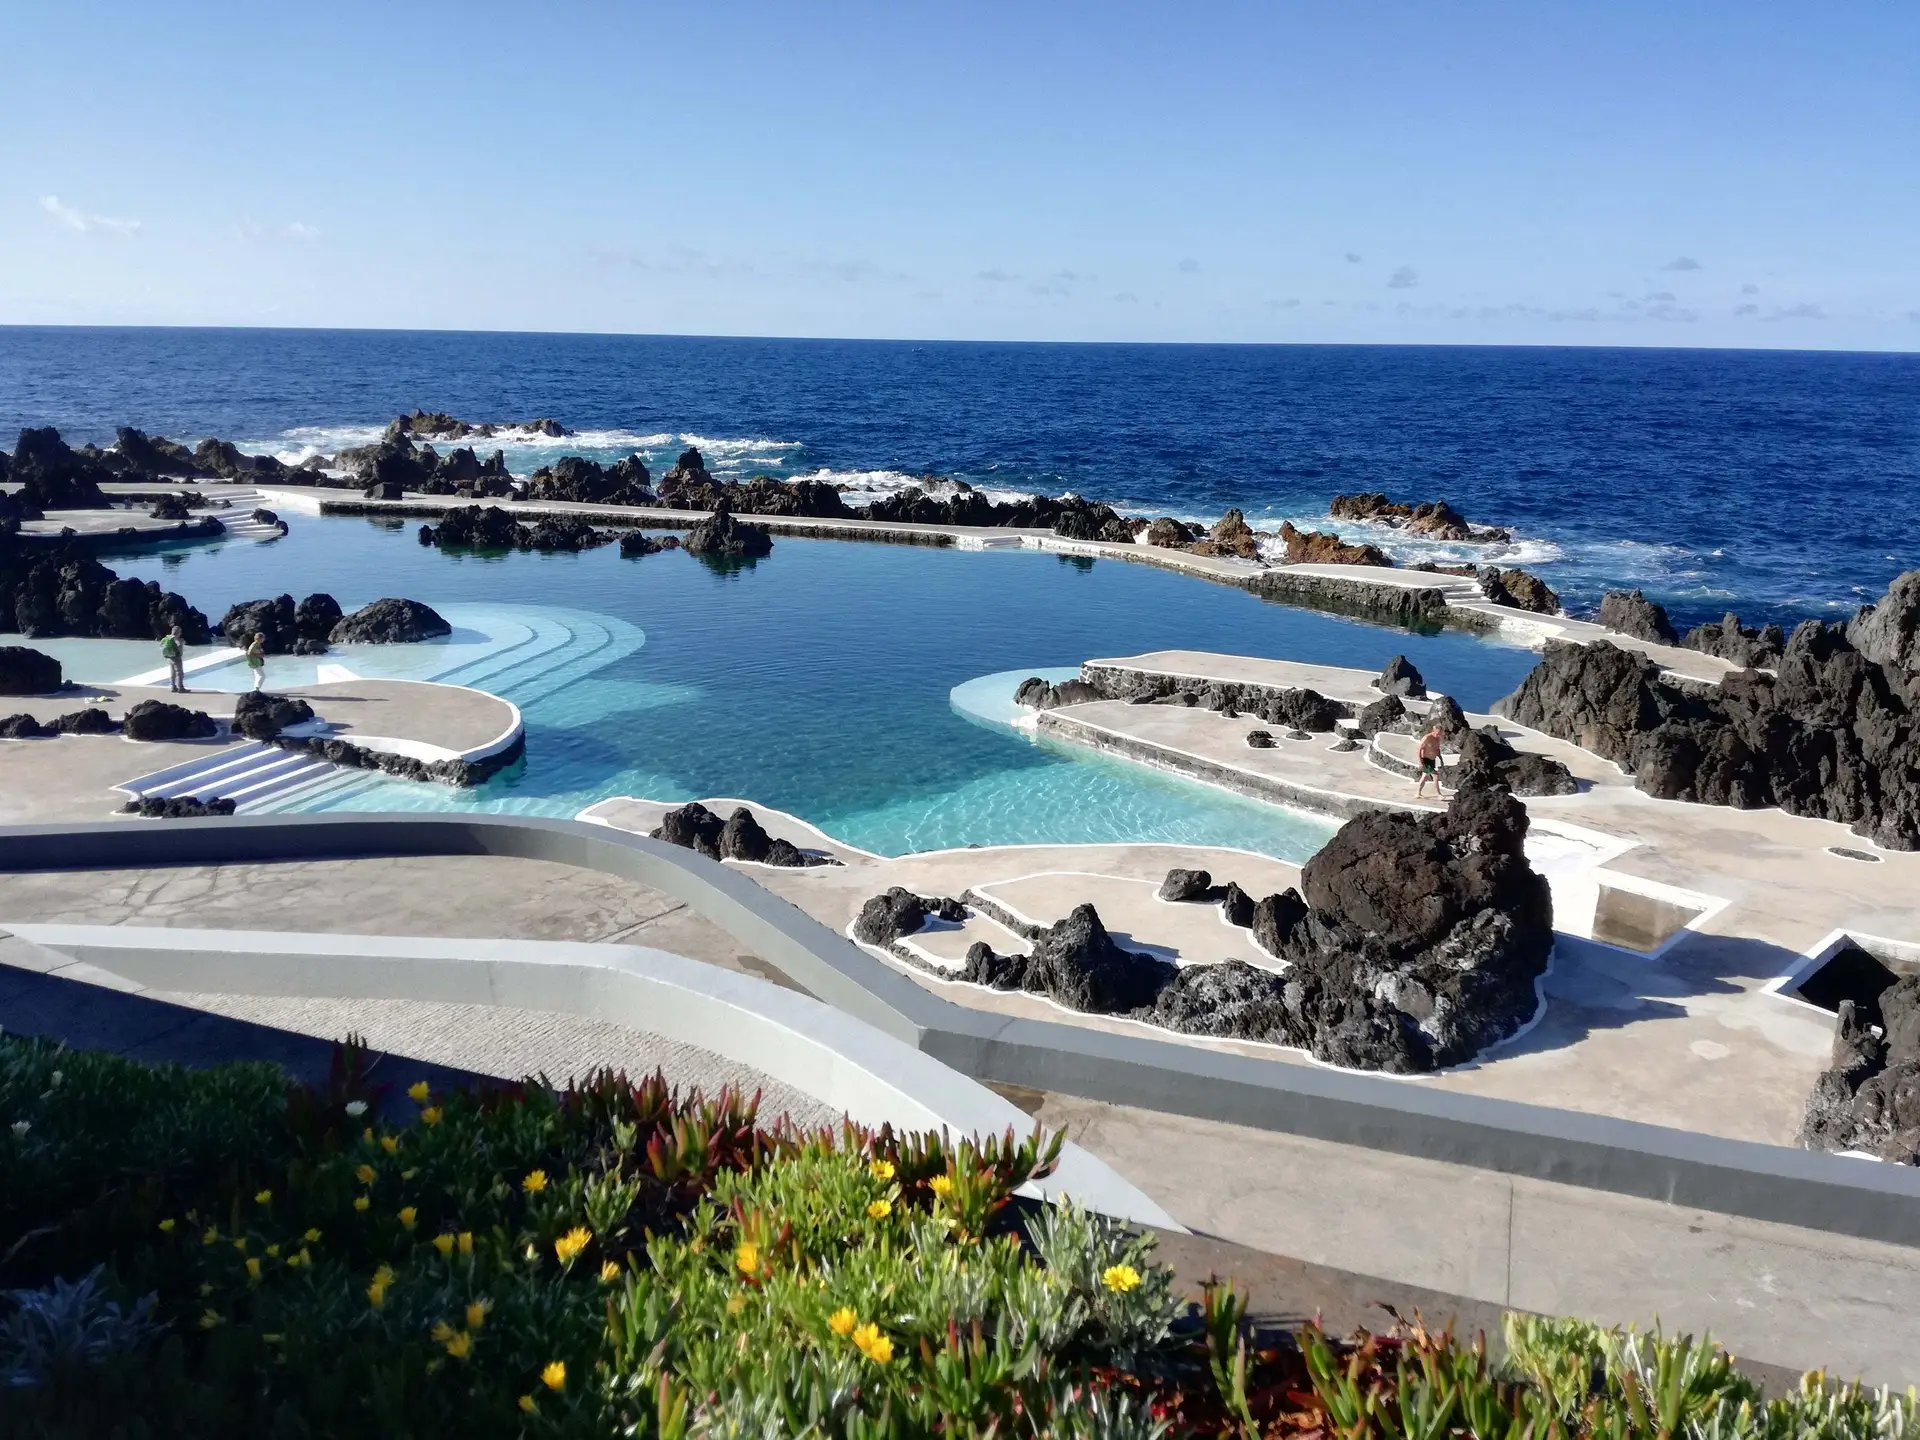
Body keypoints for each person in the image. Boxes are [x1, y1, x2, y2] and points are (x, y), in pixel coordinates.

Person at [1415, 723, 1447, 798]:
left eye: (1440, 733)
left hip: (1432, 760)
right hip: (1425, 760)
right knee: (1435, 775)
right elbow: (1419, 749)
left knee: (1425, 777)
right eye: (1437, 733)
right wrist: (1420, 762)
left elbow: (1437, 749)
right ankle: (1438, 794)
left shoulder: (1439, 738)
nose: (1438, 735)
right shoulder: (1427, 738)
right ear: (1434, 730)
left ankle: (1417, 793)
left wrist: (1441, 759)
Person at [161, 624, 187, 693]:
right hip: (176, 658)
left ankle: (173, 686)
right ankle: (180, 687)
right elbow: (178, 646)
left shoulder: (167, 638)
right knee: (179, 673)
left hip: (169, 657)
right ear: (178, 633)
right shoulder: (176, 639)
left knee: (172, 673)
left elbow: (161, 644)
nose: (181, 634)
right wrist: (181, 643)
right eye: (180, 632)